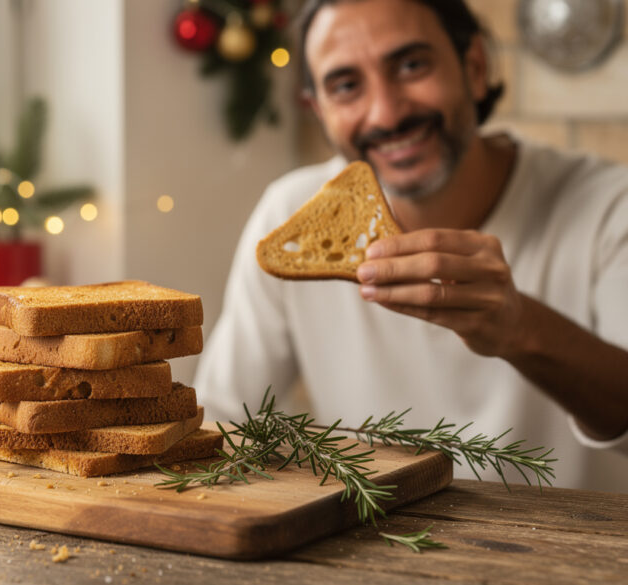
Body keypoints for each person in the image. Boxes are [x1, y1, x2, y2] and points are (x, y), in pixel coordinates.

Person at [194, 0, 628, 492]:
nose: (386, 112)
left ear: (476, 67)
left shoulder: (612, 207)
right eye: (346, 85)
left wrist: (520, 327)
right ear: (319, 111)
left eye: (411, 65)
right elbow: (228, 419)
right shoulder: (289, 217)